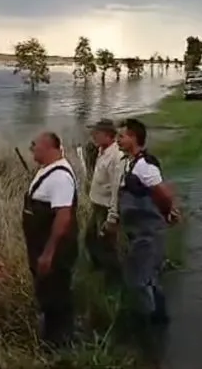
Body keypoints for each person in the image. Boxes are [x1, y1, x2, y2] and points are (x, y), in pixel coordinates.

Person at [114, 118, 180, 341]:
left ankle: (147, 331)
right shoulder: (131, 163)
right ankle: (159, 319)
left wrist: (167, 213)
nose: (118, 140)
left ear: (133, 137)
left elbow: (163, 193)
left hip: (148, 233)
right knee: (149, 277)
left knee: (138, 280)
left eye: (121, 136)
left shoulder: (144, 166)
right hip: (139, 231)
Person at [23, 131, 79, 346]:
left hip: (55, 250)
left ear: (49, 148)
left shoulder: (60, 177)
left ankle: (61, 344)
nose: (31, 149)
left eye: (34, 145)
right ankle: (52, 338)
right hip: (41, 246)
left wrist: (49, 253)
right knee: (47, 293)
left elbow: (63, 217)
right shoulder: (47, 171)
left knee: (57, 295)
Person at [85, 119, 123, 282]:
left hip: (106, 207)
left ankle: (113, 279)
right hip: (97, 205)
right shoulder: (101, 151)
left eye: (97, 133)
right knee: (90, 238)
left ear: (108, 136)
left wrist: (112, 217)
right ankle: (99, 269)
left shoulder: (116, 156)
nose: (93, 136)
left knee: (107, 244)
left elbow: (116, 189)